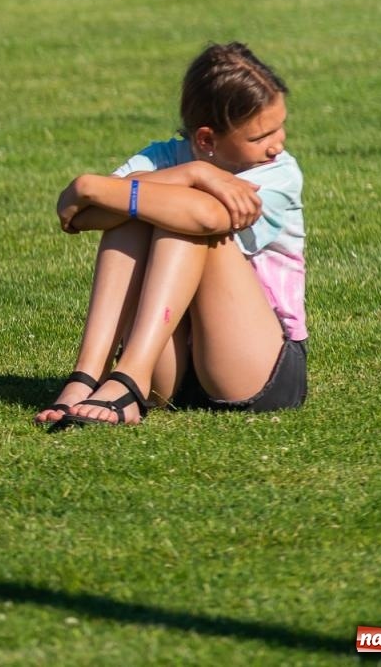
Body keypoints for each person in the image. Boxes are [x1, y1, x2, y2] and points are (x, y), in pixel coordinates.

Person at [38, 42, 305, 430]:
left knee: (172, 211)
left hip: (254, 366)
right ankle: (87, 377)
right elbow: (85, 217)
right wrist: (191, 174)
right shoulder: (165, 156)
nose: (276, 143)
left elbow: (207, 217)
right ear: (206, 140)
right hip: (171, 369)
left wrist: (89, 186)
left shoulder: (278, 172)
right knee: (129, 213)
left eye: (279, 126)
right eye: (259, 136)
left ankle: (128, 377)